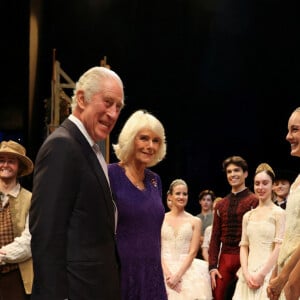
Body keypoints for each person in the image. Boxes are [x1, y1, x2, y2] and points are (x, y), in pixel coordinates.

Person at [29, 66, 125, 300]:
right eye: (108, 102)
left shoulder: (89, 148)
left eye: (118, 107)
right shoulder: (63, 146)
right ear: (81, 99)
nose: (113, 114)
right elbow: (46, 234)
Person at [107, 109, 168, 300]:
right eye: (144, 138)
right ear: (130, 138)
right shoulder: (110, 175)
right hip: (121, 273)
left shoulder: (155, 180)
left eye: (156, 140)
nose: (150, 146)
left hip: (152, 274)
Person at [232, 163, 285, 299]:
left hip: (269, 273)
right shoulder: (248, 216)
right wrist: (245, 272)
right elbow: (244, 246)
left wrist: (262, 274)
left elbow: (279, 247)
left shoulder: (279, 213)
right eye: (257, 184)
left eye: (265, 183)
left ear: (272, 185)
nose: (260, 188)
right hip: (248, 274)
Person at [208, 155, 259, 300]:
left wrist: (250, 265)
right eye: (229, 172)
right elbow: (215, 237)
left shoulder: (254, 201)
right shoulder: (220, 204)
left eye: (236, 170)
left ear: (245, 173)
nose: (232, 174)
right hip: (224, 258)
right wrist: (212, 267)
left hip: (247, 259)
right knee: (218, 295)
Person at [267, 107, 300, 300]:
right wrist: (277, 272)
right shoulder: (297, 180)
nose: (287, 137)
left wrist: (286, 276)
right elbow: (290, 231)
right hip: (287, 265)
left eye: (295, 129)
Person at [161, 179, 213, 300]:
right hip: (163, 268)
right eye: (178, 193)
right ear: (170, 196)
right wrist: (168, 275)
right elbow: (157, 249)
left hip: (186, 269)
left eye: (185, 194)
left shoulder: (195, 221)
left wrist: (177, 276)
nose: (182, 197)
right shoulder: (160, 219)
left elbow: (193, 252)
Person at [0, 140, 34, 300]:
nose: (5, 165)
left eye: (11, 161)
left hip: (15, 279)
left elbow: (29, 242)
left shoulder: (30, 199)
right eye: (1, 160)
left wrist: (1, 255)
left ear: (19, 167)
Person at [201, 196, 223, 262]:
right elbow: (204, 251)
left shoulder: (229, 229)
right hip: (210, 263)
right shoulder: (208, 229)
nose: (215, 211)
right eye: (214, 209)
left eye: (218, 208)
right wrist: (211, 265)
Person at [195, 189, 216, 258]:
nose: (205, 202)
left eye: (208, 200)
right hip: (196, 252)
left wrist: (203, 239)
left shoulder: (215, 218)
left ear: (212, 202)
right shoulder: (195, 218)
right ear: (200, 202)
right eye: (203, 200)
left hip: (211, 251)